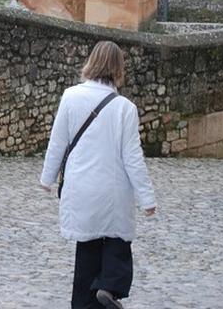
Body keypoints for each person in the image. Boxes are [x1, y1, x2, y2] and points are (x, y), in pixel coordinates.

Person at [40, 41, 157, 309]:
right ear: (118, 68)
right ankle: (110, 287)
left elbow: (57, 142)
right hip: (113, 190)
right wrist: (146, 198)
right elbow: (132, 157)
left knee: (87, 247)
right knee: (117, 240)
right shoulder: (124, 108)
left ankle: (83, 303)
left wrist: (47, 179)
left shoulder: (70, 96)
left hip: (80, 188)